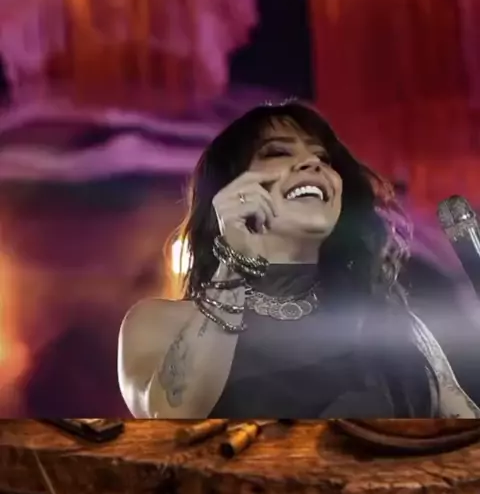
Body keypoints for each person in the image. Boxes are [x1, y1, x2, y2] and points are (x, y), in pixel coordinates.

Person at [118, 101, 480, 418]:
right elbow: (170, 418)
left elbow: (464, 442)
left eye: (323, 158)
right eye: (277, 153)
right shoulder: (158, 322)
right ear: (228, 190)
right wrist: (234, 263)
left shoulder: (394, 325)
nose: (312, 163)